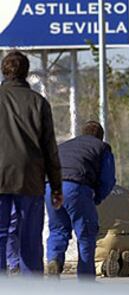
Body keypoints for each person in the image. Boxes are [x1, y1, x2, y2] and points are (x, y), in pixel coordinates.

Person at [0, 51, 63, 276]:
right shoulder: (39, 102)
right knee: (30, 236)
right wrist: (56, 186)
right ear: (27, 73)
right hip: (30, 177)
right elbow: (49, 148)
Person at [45, 121, 116, 279]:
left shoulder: (64, 145)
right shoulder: (102, 147)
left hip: (51, 187)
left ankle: (54, 260)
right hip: (76, 187)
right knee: (86, 233)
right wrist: (96, 198)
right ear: (100, 137)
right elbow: (108, 180)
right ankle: (85, 279)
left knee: (58, 230)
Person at [95, 186, 129, 277]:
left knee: (88, 263)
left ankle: (103, 266)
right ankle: (122, 262)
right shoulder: (123, 191)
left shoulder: (92, 193)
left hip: (109, 238)